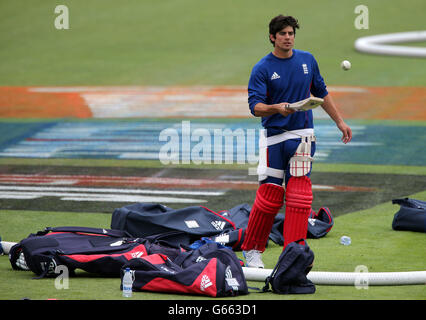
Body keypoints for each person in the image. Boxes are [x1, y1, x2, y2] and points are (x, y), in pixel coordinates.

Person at [241, 14, 352, 268]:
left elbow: (321, 93)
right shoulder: (262, 68)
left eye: (291, 33)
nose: (288, 38)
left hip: (303, 135)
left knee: (300, 195)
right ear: (273, 37)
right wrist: (277, 108)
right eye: (283, 34)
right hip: (274, 138)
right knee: (270, 195)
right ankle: (252, 250)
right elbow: (255, 107)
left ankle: (295, 253)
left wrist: (340, 122)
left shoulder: (307, 60)